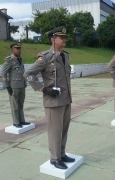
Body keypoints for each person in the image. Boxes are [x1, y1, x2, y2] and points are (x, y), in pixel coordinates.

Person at [24, 26, 74, 169]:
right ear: (53, 39)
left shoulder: (65, 55)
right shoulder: (45, 57)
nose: (64, 39)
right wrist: (44, 89)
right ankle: (54, 158)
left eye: (65, 37)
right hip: (53, 101)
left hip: (65, 99)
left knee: (64, 129)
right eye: (61, 37)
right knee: (55, 130)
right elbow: (28, 74)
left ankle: (62, 153)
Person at [1, 42, 30, 128]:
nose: (19, 50)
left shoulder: (20, 59)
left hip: (22, 85)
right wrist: (7, 86)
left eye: (20, 48)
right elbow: (4, 73)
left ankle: (22, 120)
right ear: (12, 50)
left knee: (20, 104)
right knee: (15, 105)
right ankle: (16, 122)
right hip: (13, 86)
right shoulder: (9, 60)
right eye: (17, 49)